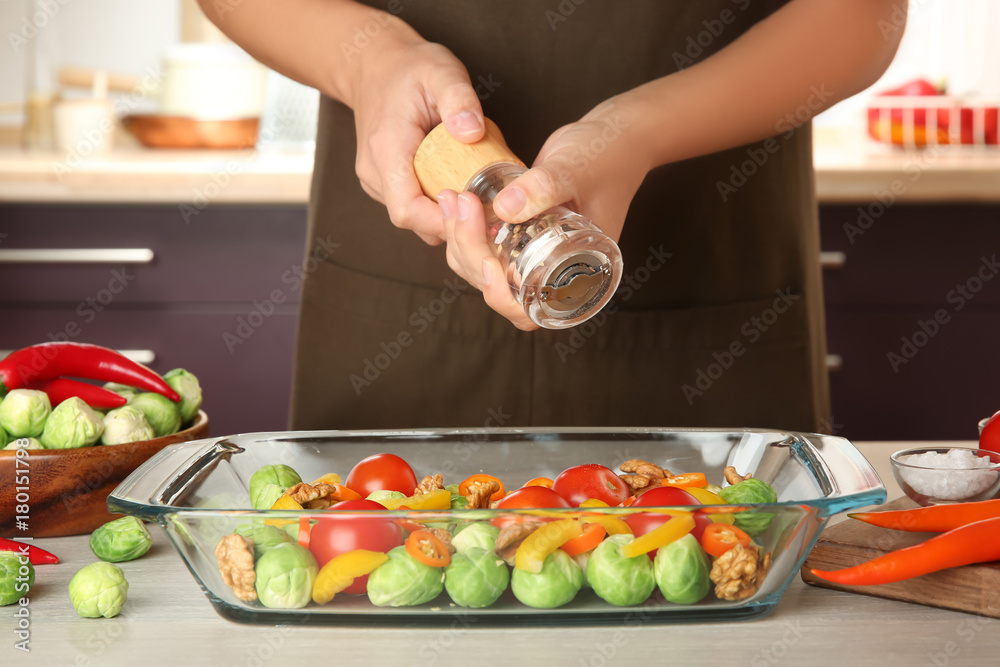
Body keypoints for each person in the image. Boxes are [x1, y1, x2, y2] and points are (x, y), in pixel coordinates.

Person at [198, 0, 906, 432]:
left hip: (710, 296)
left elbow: (864, 12)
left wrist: (639, 132)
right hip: (396, 306)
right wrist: (368, 62)